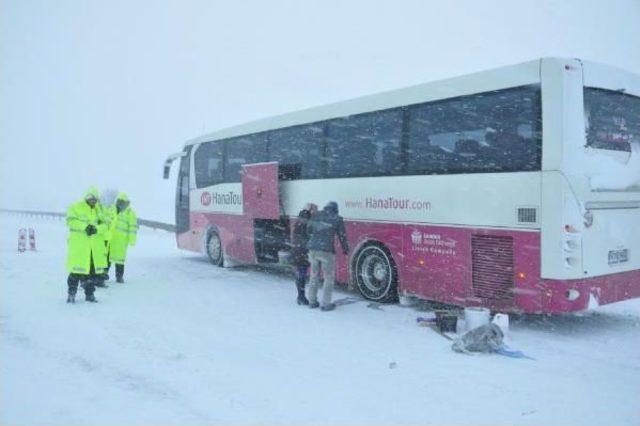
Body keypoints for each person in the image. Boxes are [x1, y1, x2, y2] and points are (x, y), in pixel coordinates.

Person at [65, 187, 109, 303]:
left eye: (95, 199)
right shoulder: (76, 207)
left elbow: (106, 225)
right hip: (79, 247)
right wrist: (85, 227)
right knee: (76, 272)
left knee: (90, 274)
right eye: (91, 198)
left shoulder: (99, 211)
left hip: (92, 249)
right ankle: (71, 294)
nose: (93, 201)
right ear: (87, 197)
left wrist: (96, 229)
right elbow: (70, 221)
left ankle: (89, 295)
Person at [306, 201, 349, 311]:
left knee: (314, 275)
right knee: (328, 277)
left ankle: (312, 301)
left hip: (313, 249)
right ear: (336, 209)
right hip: (326, 251)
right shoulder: (337, 218)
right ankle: (325, 304)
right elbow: (342, 236)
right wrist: (345, 250)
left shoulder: (317, 215)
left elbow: (308, 229)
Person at [105, 192, 138, 283]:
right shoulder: (111, 210)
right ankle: (104, 275)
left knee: (120, 260)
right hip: (110, 239)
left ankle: (119, 276)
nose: (121, 203)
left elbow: (133, 227)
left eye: (123, 202)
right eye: (120, 201)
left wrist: (132, 240)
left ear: (126, 203)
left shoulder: (130, 213)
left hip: (121, 241)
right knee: (107, 258)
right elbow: (106, 221)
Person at [291, 203, 317, 305]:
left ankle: (300, 296)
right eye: (314, 210)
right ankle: (301, 297)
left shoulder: (300, 220)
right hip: (302, 252)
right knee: (302, 274)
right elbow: (305, 237)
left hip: (298, 251)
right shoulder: (305, 221)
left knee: (301, 274)